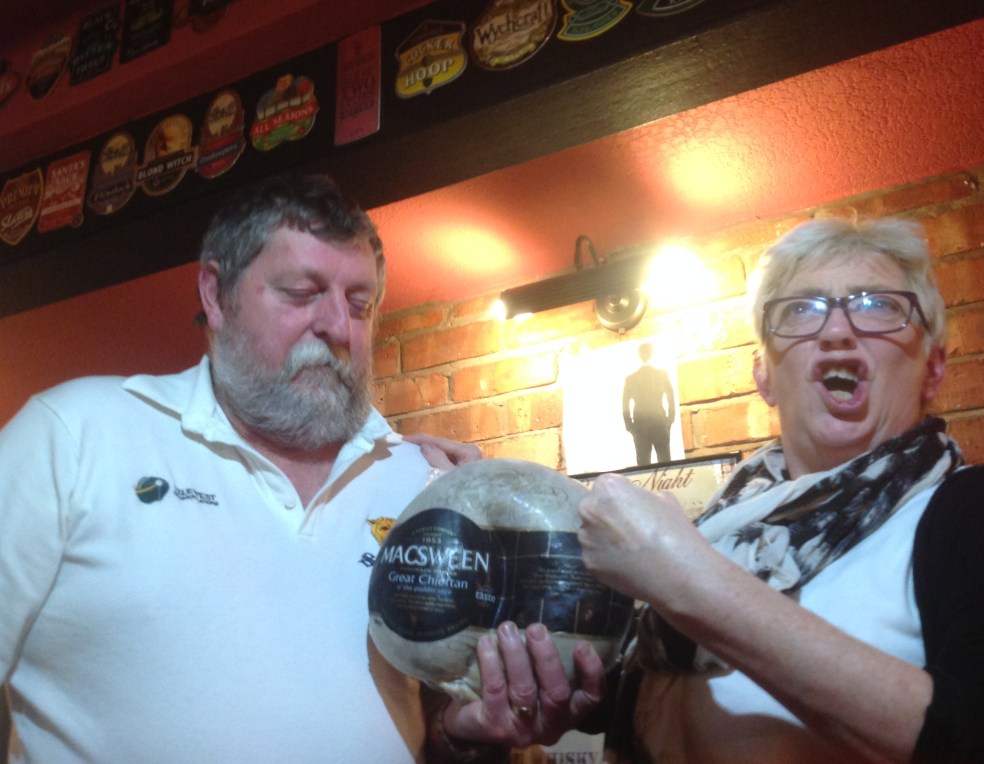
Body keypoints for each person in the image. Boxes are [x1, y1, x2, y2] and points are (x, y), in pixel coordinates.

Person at [0, 174, 605, 763]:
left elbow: (429, 727)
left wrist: (472, 730)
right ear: (216, 294)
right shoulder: (75, 433)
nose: (338, 327)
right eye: (301, 293)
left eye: (360, 304)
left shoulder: (422, 484)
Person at [577, 217, 984, 762]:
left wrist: (688, 580)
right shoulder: (718, 530)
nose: (837, 330)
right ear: (763, 374)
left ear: (933, 368)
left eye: (878, 305)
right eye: (801, 309)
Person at [622, 342, 675, 466]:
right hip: (656, 421)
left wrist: (629, 424)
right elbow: (670, 398)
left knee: (645, 463)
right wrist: (669, 419)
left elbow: (625, 403)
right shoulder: (661, 375)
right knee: (663, 461)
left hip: (644, 424)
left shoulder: (631, 378)